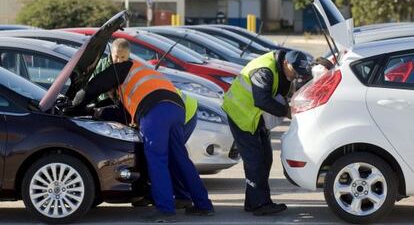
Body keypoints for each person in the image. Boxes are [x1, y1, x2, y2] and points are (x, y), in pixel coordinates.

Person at [73, 38, 213, 222]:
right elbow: (122, 112)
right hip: (177, 109)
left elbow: (94, 86)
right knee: (180, 159)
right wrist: (97, 112)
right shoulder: (140, 68)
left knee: (157, 160)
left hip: (155, 112)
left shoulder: (120, 68)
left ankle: (165, 210)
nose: (119, 59)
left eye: (121, 57)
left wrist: (74, 106)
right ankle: (204, 205)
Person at [222, 49, 312, 216]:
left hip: (255, 117)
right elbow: (262, 100)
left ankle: (253, 202)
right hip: (241, 115)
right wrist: (287, 112)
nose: (295, 77)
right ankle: (259, 204)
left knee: (265, 158)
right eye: (294, 73)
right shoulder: (264, 70)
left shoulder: (281, 68)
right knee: (255, 160)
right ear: (286, 63)